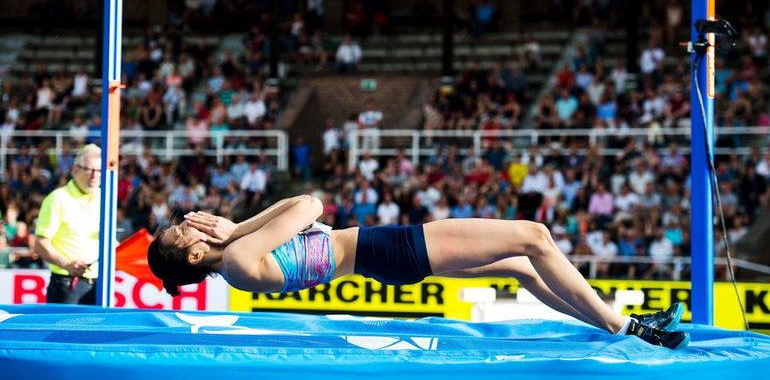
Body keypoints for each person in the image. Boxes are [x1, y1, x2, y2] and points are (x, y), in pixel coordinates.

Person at [148, 194, 688, 349]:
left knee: (524, 267)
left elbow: (303, 209)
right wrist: (235, 227)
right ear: (194, 257)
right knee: (535, 236)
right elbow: (310, 204)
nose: (192, 223)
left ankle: (623, 326)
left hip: (384, 255)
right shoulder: (238, 258)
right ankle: (626, 327)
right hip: (392, 249)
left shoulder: (239, 259)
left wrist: (235, 228)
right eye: (184, 232)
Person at [34, 144, 102, 305]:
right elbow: (40, 244)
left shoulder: (103, 197)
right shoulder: (57, 198)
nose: (95, 175)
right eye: (89, 169)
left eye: (99, 170)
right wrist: (67, 264)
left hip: (99, 284)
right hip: (67, 283)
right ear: (75, 170)